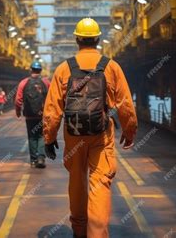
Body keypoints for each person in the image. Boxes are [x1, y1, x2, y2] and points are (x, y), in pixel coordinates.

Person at [42, 18, 138, 238]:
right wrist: (129, 131)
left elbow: (52, 109)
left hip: (74, 134)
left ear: (76, 39)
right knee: (100, 184)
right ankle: (96, 234)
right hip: (101, 135)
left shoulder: (64, 69)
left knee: (76, 181)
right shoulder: (111, 66)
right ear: (98, 39)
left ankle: (78, 229)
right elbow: (125, 103)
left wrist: (49, 137)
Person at [15, 61, 50, 168]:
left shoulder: (23, 82)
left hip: (29, 115)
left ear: (31, 70)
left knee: (32, 137)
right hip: (42, 115)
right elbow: (51, 98)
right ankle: (41, 157)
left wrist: (18, 112)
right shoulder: (46, 82)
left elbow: (18, 100)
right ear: (40, 70)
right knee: (41, 136)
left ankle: (33, 160)